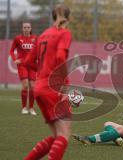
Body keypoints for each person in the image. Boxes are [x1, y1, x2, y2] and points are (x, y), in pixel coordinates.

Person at [24, 4, 72, 160]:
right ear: (68, 18)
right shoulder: (64, 33)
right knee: (64, 135)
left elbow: (28, 61)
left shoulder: (43, 34)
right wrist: (65, 84)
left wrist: (43, 71)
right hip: (54, 88)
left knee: (56, 136)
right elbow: (59, 57)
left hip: (40, 87)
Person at [9, 22, 37, 115]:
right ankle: (24, 107)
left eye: (28, 27)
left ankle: (31, 108)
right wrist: (14, 59)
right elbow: (11, 50)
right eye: (25, 27)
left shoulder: (35, 39)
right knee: (25, 85)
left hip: (32, 65)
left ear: (30, 28)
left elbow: (39, 51)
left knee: (33, 86)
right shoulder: (18, 38)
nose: (26, 29)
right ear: (22, 28)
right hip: (22, 64)